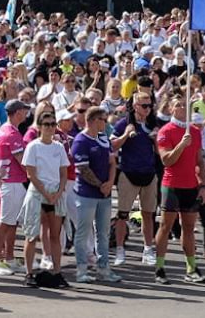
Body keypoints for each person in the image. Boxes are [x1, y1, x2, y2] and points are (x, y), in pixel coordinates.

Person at [153, 90, 205, 285]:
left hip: (191, 186)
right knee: (165, 226)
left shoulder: (194, 131)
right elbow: (167, 161)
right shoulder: (165, 131)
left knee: (189, 228)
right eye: (178, 105)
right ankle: (159, 267)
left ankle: (191, 268)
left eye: (185, 105)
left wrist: (202, 184)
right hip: (172, 185)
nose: (182, 108)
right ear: (170, 108)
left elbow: (199, 160)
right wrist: (181, 146)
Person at [19, 109, 68, 287]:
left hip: (55, 192)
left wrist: (58, 192)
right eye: (46, 124)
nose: (50, 128)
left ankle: (57, 271)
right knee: (31, 234)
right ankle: (29, 272)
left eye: (53, 124)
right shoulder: (33, 146)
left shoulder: (59, 147)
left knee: (55, 235)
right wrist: (46, 194)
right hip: (38, 192)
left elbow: (64, 173)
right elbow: (31, 174)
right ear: (39, 127)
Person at [71, 106, 121, 284]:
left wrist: (109, 183)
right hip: (86, 194)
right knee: (83, 232)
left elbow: (112, 162)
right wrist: (101, 185)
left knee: (103, 232)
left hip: (104, 194)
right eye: (102, 119)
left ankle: (103, 267)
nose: (105, 123)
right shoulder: (80, 141)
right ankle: (81, 269)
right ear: (92, 120)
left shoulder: (103, 138)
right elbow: (83, 169)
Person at [113, 90, 159, 265]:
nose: (147, 109)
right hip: (128, 173)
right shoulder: (123, 124)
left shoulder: (153, 124)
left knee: (148, 214)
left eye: (149, 105)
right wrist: (126, 135)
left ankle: (148, 249)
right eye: (143, 105)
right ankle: (119, 250)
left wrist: (155, 139)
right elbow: (112, 146)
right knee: (123, 214)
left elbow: (160, 152)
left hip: (149, 173)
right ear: (134, 106)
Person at [0, 100, 30, 275]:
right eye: (24, 110)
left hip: (12, 182)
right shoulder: (11, 133)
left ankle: (9, 258)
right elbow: (23, 162)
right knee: (5, 222)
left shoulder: (6, 129)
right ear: (17, 112)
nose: (26, 113)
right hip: (11, 182)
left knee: (12, 222)